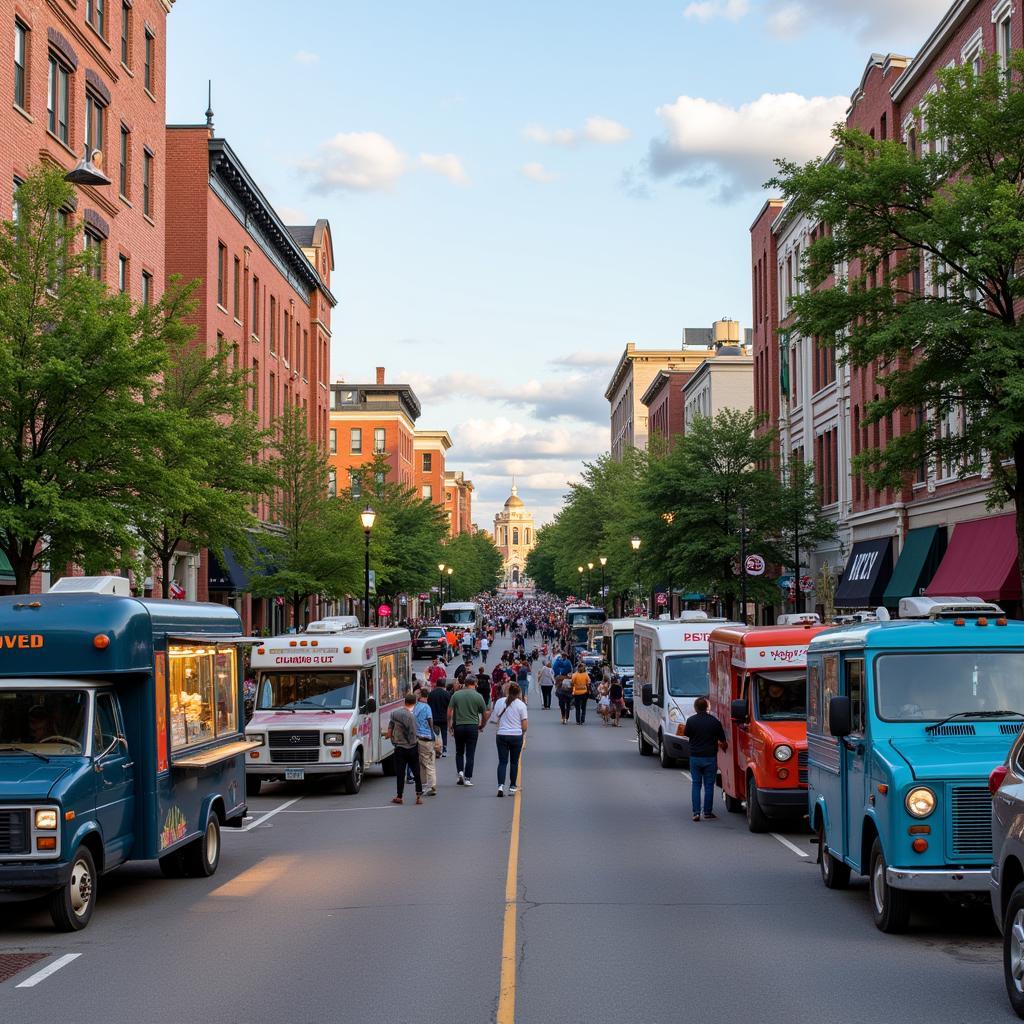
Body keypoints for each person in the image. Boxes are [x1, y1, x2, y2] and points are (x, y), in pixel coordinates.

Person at [683, 697, 728, 822]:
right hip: (710, 757)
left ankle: (696, 813)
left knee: (696, 784)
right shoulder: (714, 722)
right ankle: (707, 812)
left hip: (695, 757)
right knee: (709, 785)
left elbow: (686, 734)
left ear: (695, 708)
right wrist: (723, 748)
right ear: (707, 707)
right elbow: (723, 740)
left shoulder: (691, 721)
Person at [447, 676, 489, 787]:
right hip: (472, 726)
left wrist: (449, 725)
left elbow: (449, 712)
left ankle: (460, 771)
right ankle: (467, 778)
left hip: (459, 726)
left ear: (465, 683)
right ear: (475, 683)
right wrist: (482, 725)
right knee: (470, 753)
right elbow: (485, 714)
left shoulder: (456, 695)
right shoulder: (478, 696)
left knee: (459, 751)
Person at [384, 694, 423, 805]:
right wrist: (414, 743)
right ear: (414, 703)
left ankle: (399, 796)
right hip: (411, 747)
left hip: (399, 747)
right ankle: (418, 796)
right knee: (416, 772)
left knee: (400, 773)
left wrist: (389, 734)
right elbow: (413, 733)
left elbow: (391, 725)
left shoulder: (395, 713)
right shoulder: (412, 716)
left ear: (404, 702)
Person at [491, 682, 528, 797]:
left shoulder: (499, 702)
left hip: (502, 734)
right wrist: (523, 733)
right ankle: (512, 787)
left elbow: (494, 719)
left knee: (502, 762)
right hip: (516, 735)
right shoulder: (521, 705)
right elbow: (525, 725)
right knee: (514, 762)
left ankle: (500, 785)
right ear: (518, 693)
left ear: (507, 691)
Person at [414, 688, 439, 795]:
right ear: (427, 697)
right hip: (427, 737)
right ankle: (432, 786)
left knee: (422, 763)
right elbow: (430, 719)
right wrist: (432, 732)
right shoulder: (427, 707)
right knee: (430, 763)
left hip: (417, 737)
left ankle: (423, 784)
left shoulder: (415, 707)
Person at [428, 680, 451, 757]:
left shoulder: (431, 694)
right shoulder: (446, 694)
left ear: (436, 685)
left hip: (434, 717)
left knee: (435, 734)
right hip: (444, 717)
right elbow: (449, 707)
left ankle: (436, 749)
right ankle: (444, 749)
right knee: (444, 733)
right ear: (444, 685)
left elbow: (429, 705)